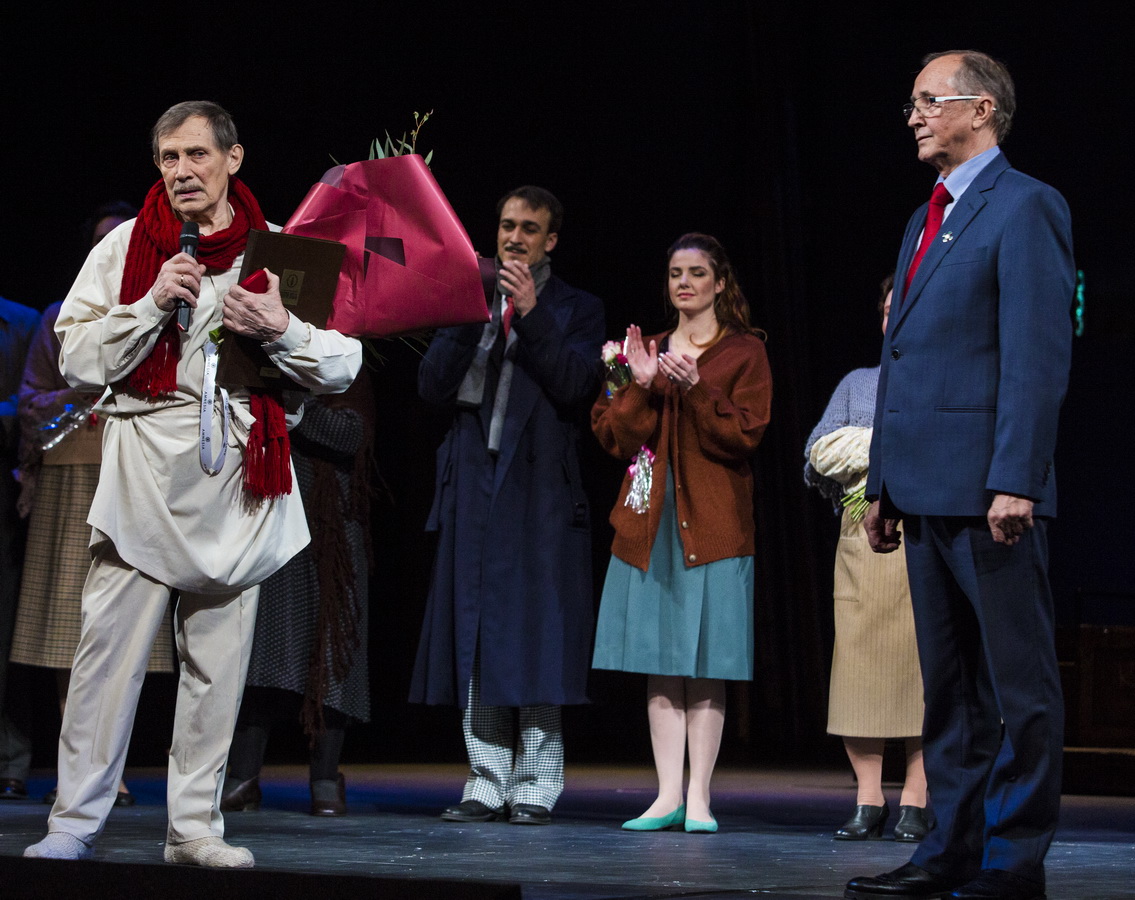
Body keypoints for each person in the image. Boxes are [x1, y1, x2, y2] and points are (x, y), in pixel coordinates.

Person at [23, 101, 362, 868]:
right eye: (168, 157)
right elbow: (73, 357)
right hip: (144, 464)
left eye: (196, 155)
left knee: (218, 665)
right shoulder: (124, 249)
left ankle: (195, 830)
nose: (181, 171)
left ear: (233, 159)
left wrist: (281, 328)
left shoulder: (279, 251)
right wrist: (150, 303)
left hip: (237, 473)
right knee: (106, 660)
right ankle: (74, 820)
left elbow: (342, 364)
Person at [846, 51, 1072, 900]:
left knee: (1016, 686)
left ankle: (1011, 862)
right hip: (920, 486)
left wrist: (1017, 477)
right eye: (911, 103)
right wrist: (881, 482)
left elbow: (1035, 356)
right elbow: (900, 357)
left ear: (980, 110)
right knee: (949, 693)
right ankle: (947, 849)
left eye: (927, 101)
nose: (912, 116)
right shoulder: (924, 216)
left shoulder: (1025, 205)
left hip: (988, 491)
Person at [410, 185, 605, 826]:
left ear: (551, 241)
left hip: (539, 490)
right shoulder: (469, 299)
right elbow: (431, 386)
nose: (514, 237)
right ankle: (487, 778)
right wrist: (474, 315)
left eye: (529, 228)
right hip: (474, 481)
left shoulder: (577, 308)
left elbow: (576, 386)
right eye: (506, 226)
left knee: (535, 635)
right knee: (478, 628)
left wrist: (532, 313)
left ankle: (536, 783)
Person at [591, 233, 772, 834]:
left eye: (696, 272)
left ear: (720, 282)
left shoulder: (744, 352)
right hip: (650, 520)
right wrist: (639, 383)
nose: (685, 283)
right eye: (675, 273)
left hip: (714, 524)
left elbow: (745, 435)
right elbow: (613, 436)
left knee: (706, 660)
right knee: (660, 660)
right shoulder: (636, 350)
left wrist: (696, 387)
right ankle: (666, 794)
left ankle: (699, 797)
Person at [11, 202, 176, 809]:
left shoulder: (163, 307)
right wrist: (88, 388)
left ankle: (114, 766)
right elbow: (30, 401)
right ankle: (74, 768)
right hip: (69, 479)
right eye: (106, 241)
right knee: (67, 628)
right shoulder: (62, 316)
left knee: (128, 626)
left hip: (135, 471)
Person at [804, 275, 927, 842]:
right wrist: (886, 445)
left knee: (922, 672)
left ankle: (917, 799)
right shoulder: (857, 384)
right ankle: (869, 798)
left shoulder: (942, 384)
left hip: (923, 539)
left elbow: (934, 451)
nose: (892, 319)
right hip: (862, 541)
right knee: (859, 672)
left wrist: (865, 446)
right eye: (886, 310)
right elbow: (817, 455)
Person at [222, 371, 375, 817]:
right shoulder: (262, 362)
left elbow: (351, 435)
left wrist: (289, 406)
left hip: (333, 527)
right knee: (263, 651)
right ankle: (243, 776)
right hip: (271, 510)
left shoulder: (346, 366)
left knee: (332, 652)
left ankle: (325, 777)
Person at [0, 295, 40, 800]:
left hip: (5, 484)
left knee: (8, 625)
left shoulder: (21, 322)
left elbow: (33, 398)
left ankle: (10, 757)